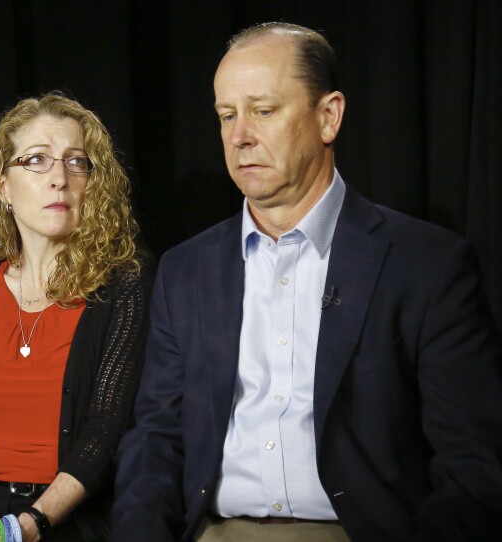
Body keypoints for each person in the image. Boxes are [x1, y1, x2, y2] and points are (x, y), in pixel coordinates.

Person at [112, 22, 502, 542]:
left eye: (263, 110)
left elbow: (474, 463)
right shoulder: (186, 270)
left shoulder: (428, 264)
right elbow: (155, 441)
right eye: (227, 115)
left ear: (328, 116)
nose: (238, 136)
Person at [0, 93, 151, 542]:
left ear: (93, 182)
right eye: (37, 161)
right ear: (2, 186)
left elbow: (104, 434)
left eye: (76, 162)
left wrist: (19, 529)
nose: (59, 179)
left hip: (71, 519)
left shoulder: (125, 283)